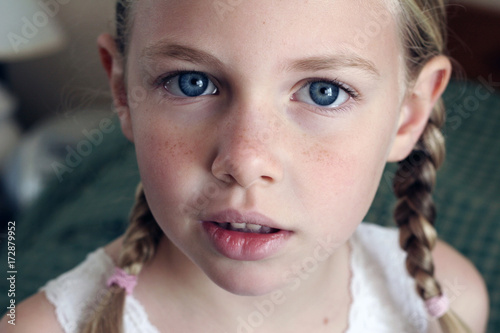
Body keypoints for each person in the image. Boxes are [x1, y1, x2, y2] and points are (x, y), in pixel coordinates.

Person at [1, 0, 489, 332]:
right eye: (191, 83)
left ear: (409, 115)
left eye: (324, 91)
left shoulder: (447, 299)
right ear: (123, 91)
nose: (245, 162)